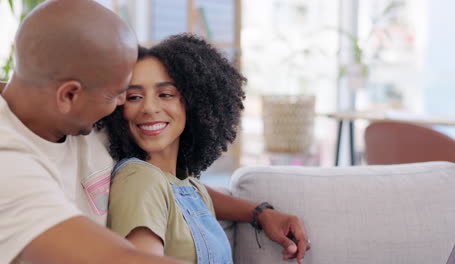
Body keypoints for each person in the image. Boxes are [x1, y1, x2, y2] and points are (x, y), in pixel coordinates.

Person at [100, 34, 311, 264]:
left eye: (166, 94)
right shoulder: (139, 180)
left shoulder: (186, 185)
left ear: (194, 102)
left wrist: (261, 213)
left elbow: (182, 194)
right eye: (134, 97)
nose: (149, 107)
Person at [0, 1, 184, 263]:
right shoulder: (7, 164)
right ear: (69, 95)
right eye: (118, 93)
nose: (123, 103)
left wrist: (257, 212)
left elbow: (175, 184)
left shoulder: (89, 122)